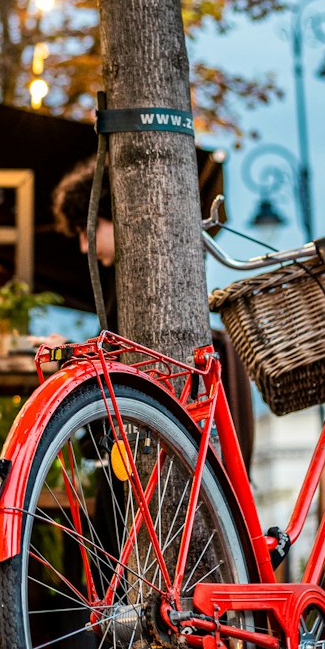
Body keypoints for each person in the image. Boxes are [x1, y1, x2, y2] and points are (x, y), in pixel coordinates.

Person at [51, 155, 255, 466]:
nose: (83, 246)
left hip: (142, 435)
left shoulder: (131, 279)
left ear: (112, 214)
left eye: (86, 230)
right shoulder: (137, 273)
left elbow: (114, 355)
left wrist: (64, 352)